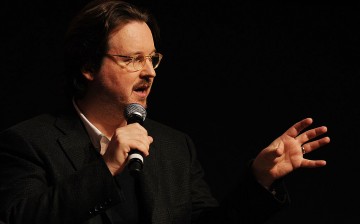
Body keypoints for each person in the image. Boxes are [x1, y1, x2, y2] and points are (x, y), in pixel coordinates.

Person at [0, 0, 330, 223]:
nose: (150, 72)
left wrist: (259, 180)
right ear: (88, 66)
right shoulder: (29, 142)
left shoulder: (174, 146)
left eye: (152, 58)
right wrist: (107, 166)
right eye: (132, 59)